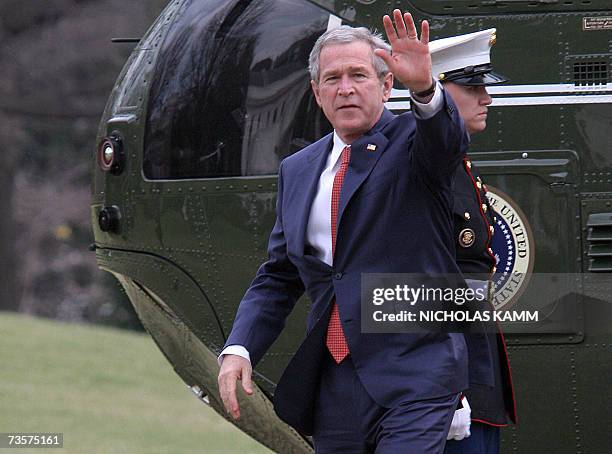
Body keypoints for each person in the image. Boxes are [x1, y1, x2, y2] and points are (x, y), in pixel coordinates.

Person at [218, 10, 482, 452]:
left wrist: (425, 89)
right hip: (335, 385)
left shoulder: (414, 145)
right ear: (316, 92)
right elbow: (280, 275)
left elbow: (446, 141)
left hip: (416, 376)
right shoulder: (298, 170)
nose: (345, 88)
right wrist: (239, 347)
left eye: (358, 75)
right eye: (332, 78)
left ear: (385, 85)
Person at [425, 30, 518, 453]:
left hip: (473, 371)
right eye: (473, 86)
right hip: (449, 382)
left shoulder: (461, 169)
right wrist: (446, 386)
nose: (487, 98)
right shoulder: (431, 173)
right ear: (438, 92)